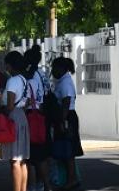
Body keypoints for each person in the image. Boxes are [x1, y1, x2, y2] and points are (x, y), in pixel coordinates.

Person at [1, 51, 31, 191]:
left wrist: (2, 114)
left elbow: (10, 105)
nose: (6, 67)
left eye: (6, 64)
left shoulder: (12, 81)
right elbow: (29, 102)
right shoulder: (24, 80)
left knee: (14, 160)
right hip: (23, 117)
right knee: (23, 160)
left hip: (13, 118)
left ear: (11, 65)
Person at [23, 46, 52, 191]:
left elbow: (27, 99)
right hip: (42, 116)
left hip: (31, 117)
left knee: (31, 157)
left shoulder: (29, 77)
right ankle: (43, 184)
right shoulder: (42, 74)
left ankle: (35, 186)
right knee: (42, 155)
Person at [51, 57, 82, 190]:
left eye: (55, 68)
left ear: (62, 68)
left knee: (67, 151)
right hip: (65, 117)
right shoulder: (62, 81)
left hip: (67, 117)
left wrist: (62, 122)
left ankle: (72, 179)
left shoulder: (65, 83)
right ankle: (70, 178)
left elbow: (66, 102)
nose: (53, 71)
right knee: (64, 150)